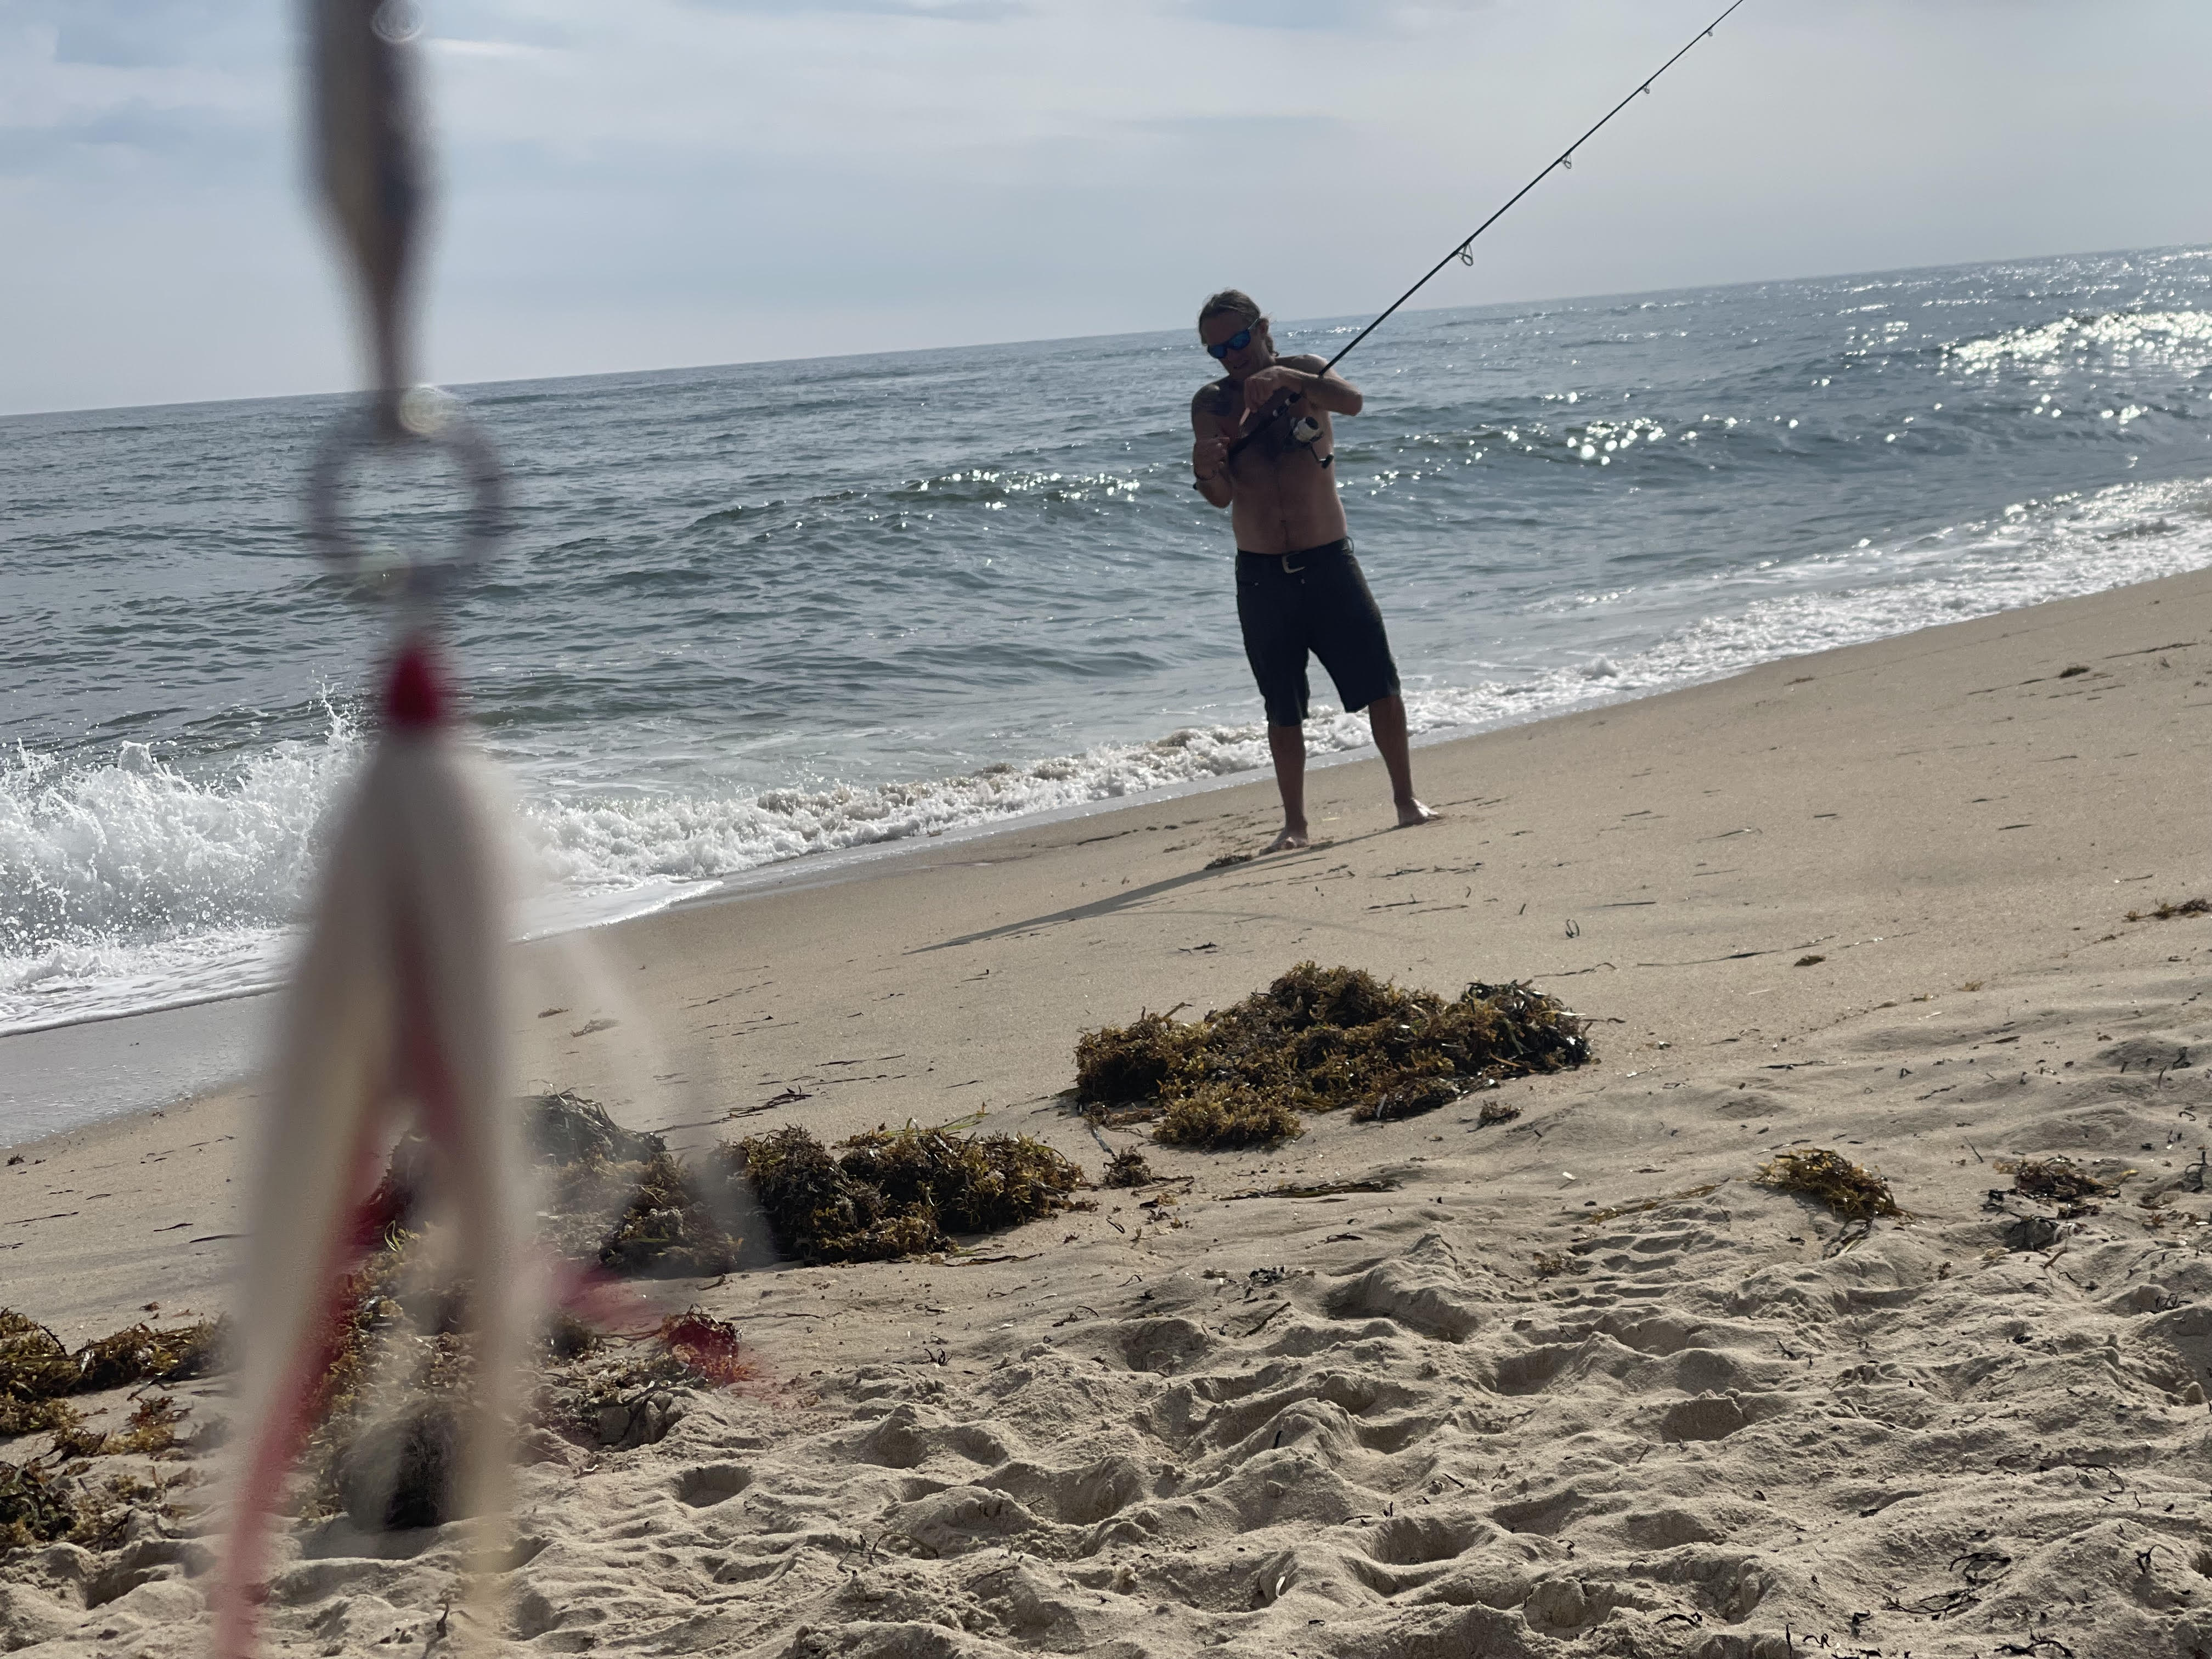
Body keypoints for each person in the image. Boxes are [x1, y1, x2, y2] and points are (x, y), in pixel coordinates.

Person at [1190, 289, 1434, 853]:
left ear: (1261, 328)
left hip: (1329, 558)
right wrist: (1206, 471)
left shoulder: (1306, 373)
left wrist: (1283, 380)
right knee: (1281, 703)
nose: (1231, 356)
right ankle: (1295, 826)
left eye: (1237, 341)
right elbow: (1221, 497)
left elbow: (1352, 402)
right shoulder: (1211, 402)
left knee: (1380, 681)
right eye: (1216, 350)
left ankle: (1406, 800)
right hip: (1260, 574)